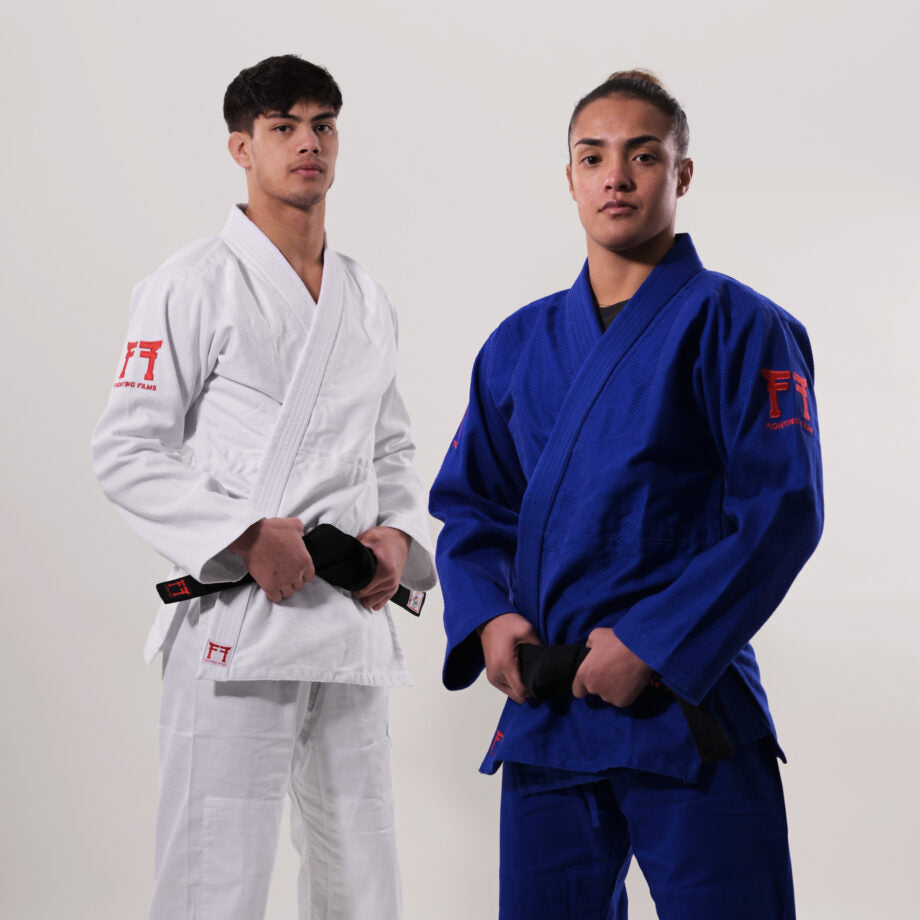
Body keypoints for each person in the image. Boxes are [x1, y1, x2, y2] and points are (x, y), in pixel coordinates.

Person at [429, 70, 822, 919]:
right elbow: (472, 508)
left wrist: (650, 642)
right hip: (550, 709)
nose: (616, 176)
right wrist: (489, 618)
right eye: (593, 157)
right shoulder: (517, 343)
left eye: (643, 156)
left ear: (682, 174)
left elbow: (781, 512)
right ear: (569, 178)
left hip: (685, 701)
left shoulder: (742, 325)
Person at [92, 54, 435, 920]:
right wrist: (246, 536)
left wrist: (396, 533)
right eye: (284, 127)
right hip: (239, 624)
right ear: (241, 148)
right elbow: (126, 449)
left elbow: (391, 444)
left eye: (323, 125)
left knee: (363, 870)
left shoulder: (366, 298)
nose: (308, 143)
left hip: (348, 620)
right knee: (215, 876)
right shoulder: (190, 284)